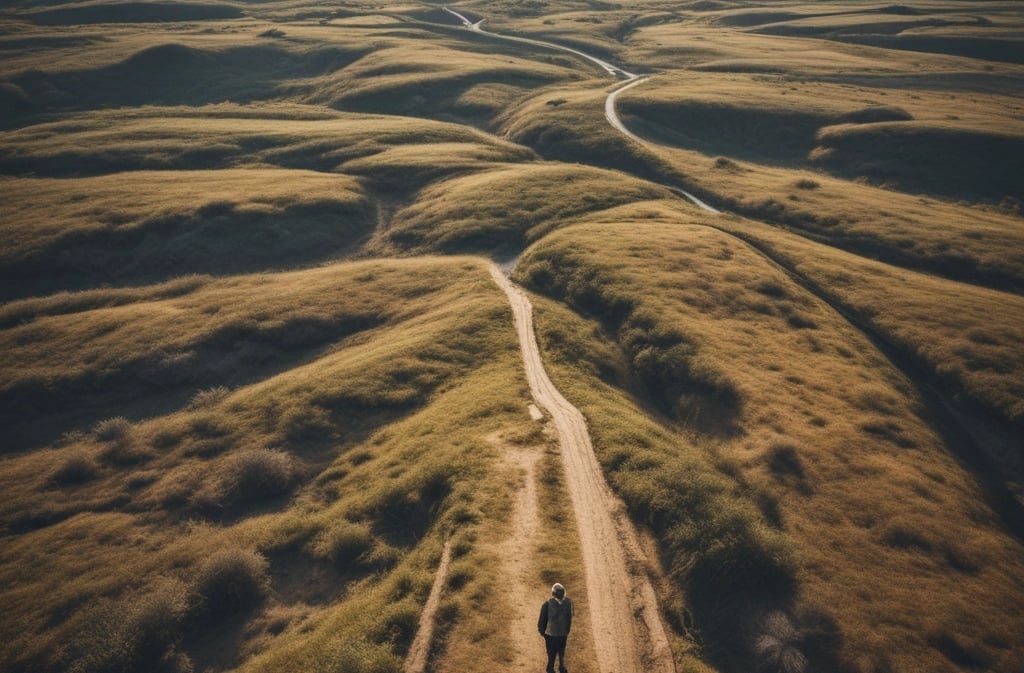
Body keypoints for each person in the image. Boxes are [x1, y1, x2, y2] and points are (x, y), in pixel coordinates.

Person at [538, 582, 573, 673]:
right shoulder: (568, 603)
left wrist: (544, 634)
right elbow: (569, 619)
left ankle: (551, 668)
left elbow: (541, 622)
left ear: (553, 594)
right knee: (561, 652)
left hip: (551, 636)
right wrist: (566, 631)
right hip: (562, 634)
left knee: (552, 654)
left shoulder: (547, 605)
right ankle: (560, 667)